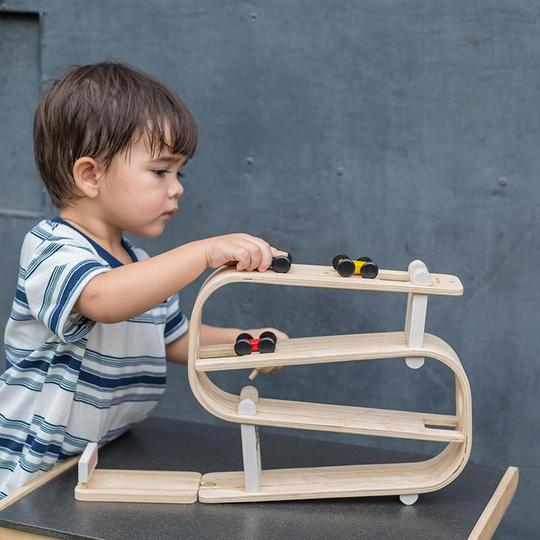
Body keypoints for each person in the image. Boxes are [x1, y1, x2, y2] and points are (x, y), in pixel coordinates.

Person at [0, 61, 288, 499]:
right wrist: (202, 251)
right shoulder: (52, 248)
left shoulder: (138, 263)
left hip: (95, 460)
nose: (177, 188)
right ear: (91, 175)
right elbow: (102, 299)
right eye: (160, 171)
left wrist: (243, 340)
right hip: (28, 475)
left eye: (180, 173)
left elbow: (172, 339)